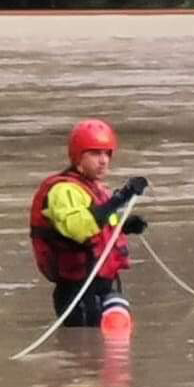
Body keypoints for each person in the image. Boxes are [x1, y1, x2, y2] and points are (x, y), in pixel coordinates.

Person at [29, 119, 150, 327]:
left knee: (115, 340)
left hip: (103, 286)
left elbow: (101, 224)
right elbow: (80, 229)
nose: (103, 160)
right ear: (78, 157)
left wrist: (123, 226)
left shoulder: (93, 189)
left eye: (107, 153)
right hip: (78, 293)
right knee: (89, 351)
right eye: (94, 154)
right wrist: (121, 197)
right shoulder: (63, 191)